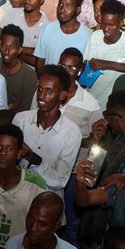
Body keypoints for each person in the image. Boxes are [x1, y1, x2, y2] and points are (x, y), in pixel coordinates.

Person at [12, 65, 82, 194]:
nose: (41, 96)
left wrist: (31, 157)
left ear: (62, 95)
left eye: (49, 91)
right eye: (40, 89)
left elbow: (60, 181)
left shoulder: (72, 133)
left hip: (47, 199)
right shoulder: (20, 120)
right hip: (16, 194)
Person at [4, 192, 84, 249]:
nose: (33, 228)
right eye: (30, 218)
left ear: (56, 226)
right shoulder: (12, 246)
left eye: (41, 224)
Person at [84, 0, 125, 99]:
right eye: (104, 24)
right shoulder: (95, 36)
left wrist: (107, 64)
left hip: (118, 102)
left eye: (111, 25)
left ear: (121, 22)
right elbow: (86, 63)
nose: (106, 29)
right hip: (92, 98)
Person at [0, 25, 38, 112]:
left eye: (12, 48)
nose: (7, 51)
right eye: (4, 46)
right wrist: (11, 105)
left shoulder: (29, 75)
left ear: (19, 50)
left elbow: (25, 108)